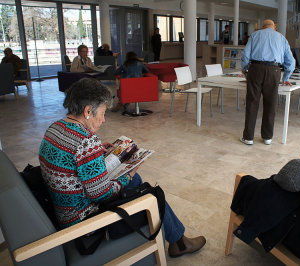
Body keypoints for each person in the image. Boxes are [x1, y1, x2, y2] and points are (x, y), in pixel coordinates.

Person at [38, 78, 206, 257]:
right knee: (153, 196)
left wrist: (97, 153)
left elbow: (71, 160)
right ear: (88, 111)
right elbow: (101, 194)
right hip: (84, 221)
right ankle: (179, 242)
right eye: (102, 113)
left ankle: (178, 241)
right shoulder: (86, 140)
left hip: (64, 212)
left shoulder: (55, 127)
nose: (103, 120)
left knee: (139, 183)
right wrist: (128, 174)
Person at [240, 19, 295, 146]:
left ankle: (248, 138)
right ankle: (267, 137)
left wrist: (245, 69)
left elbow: (245, 55)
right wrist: (286, 77)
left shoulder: (254, 35)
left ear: (262, 27)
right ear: (274, 27)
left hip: (255, 69)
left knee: (252, 103)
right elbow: (290, 61)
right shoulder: (281, 38)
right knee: (271, 104)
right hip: (274, 70)